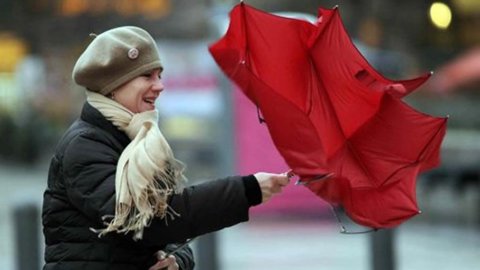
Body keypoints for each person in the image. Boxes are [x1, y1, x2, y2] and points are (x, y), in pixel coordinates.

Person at [41, 26, 291, 270]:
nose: (159, 85)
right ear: (113, 86)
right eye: (147, 76)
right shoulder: (85, 144)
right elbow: (145, 223)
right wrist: (245, 190)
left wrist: (176, 261)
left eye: (159, 75)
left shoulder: (144, 141)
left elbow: (172, 232)